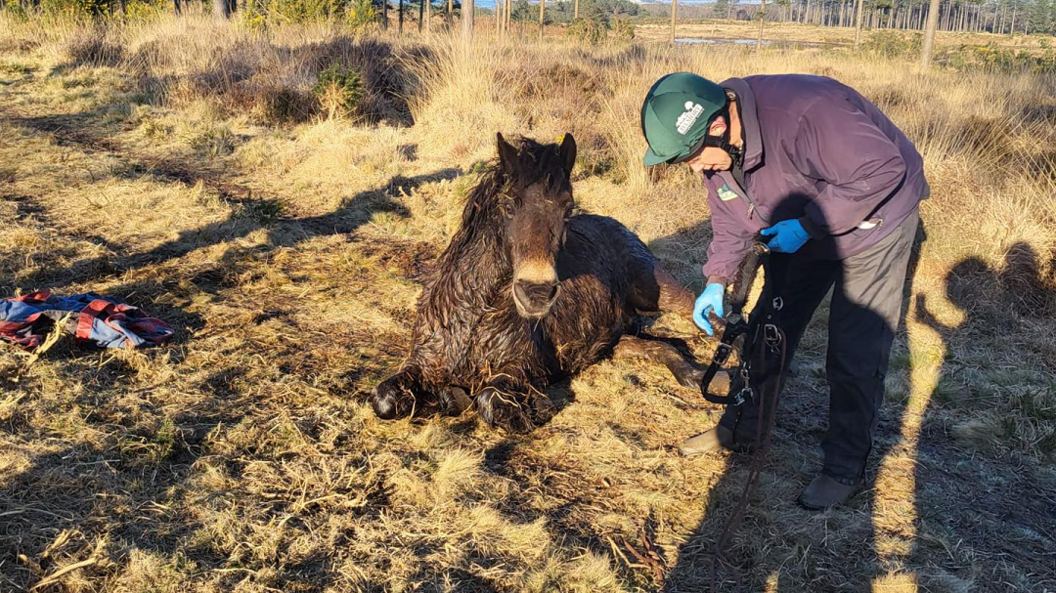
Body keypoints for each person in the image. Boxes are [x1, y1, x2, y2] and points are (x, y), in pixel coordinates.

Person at [640, 72, 928, 509]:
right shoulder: (719, 151)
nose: (694, 168)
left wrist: (811, 225)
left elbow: (883, 169)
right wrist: (716, 279)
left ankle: (843, 466)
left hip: (876, 223)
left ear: (718, 125)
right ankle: (743, 428)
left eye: (692, 158)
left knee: (854, 349)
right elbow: (730, 218)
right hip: (801, 222)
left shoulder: (807, 111)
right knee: (767, 328)